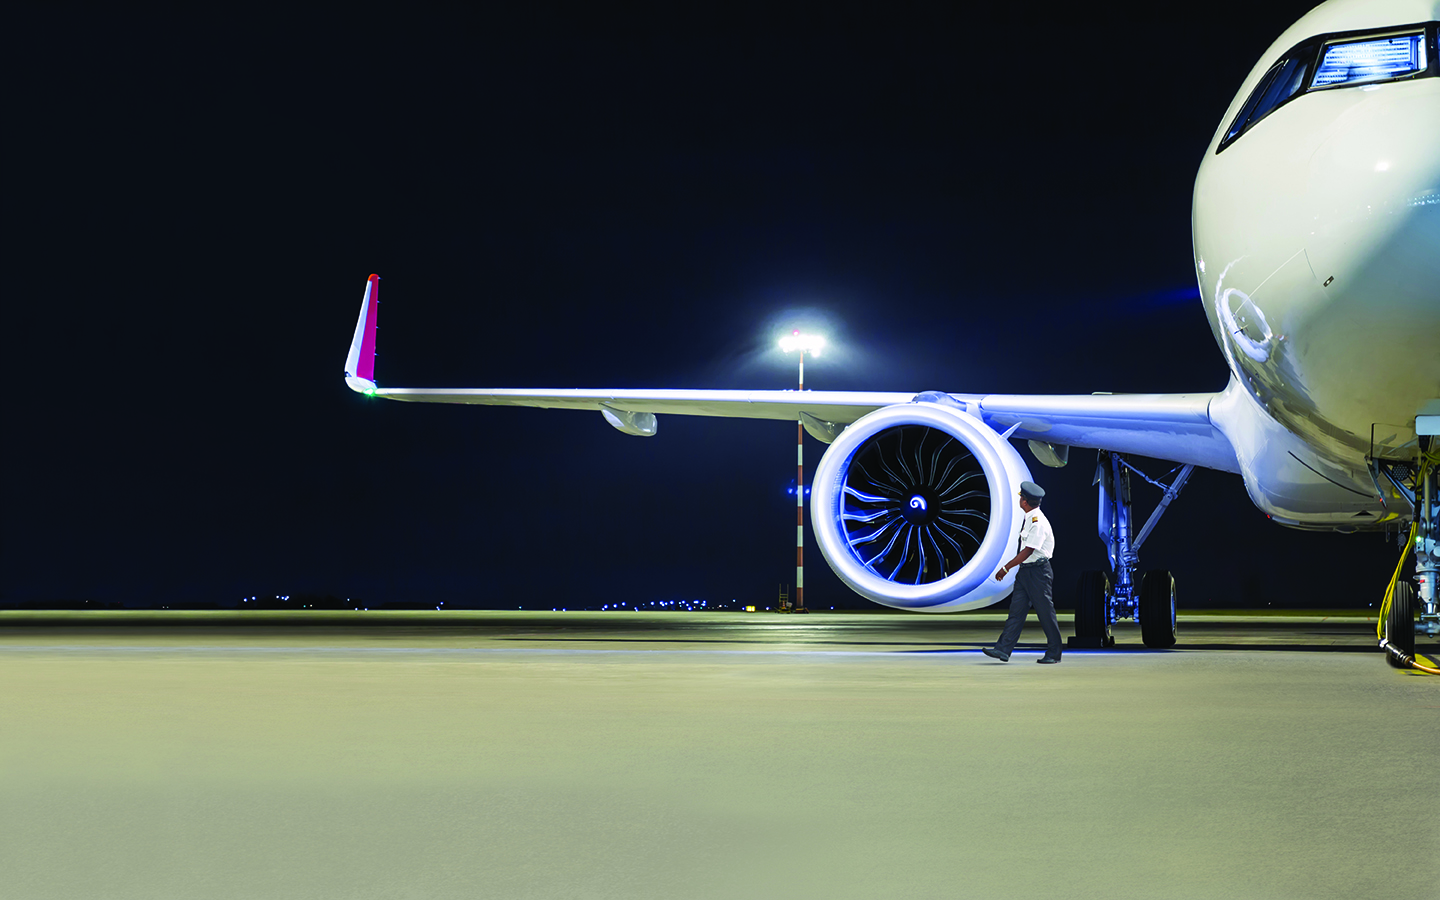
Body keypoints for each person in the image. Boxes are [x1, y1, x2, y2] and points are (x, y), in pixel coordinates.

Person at [982, 480, 1062, 664]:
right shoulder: (1029, 517)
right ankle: (1002, 650)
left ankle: (1054, 653)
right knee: (1016, 612)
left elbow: (1027, 551)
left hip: (1038, 573)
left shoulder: (1037, 522)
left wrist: (1005, 568)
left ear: (1024, 502)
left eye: (1021, 498)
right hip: (1026, 572)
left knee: (1045, 613)